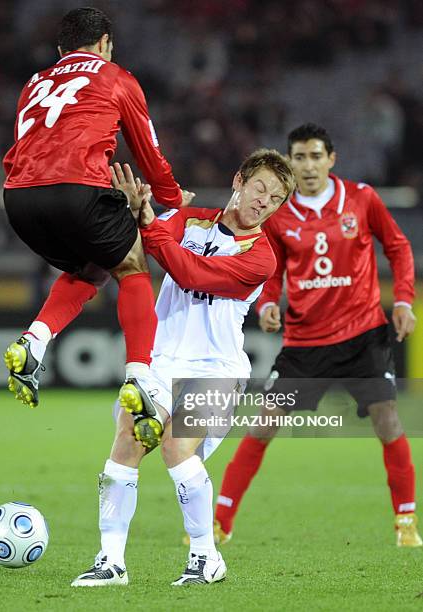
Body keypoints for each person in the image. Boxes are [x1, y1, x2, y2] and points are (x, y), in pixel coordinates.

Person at [21, 151, 295, 585]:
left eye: (276, 199)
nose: (264, 202)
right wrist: (137, 209)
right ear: (238, 180)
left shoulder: (261, 257)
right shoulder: (191, 219)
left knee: (175, 447)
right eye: (260, 188)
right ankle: (110, 561)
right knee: (125, 444)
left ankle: (206, 558)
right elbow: (138, 244)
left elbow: (190, 273)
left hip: (216, 368)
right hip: (162, 359)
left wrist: (152, 220)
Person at [214, 123, 421, 547]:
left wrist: (402, 300)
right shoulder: (280, 212)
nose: (307, 166)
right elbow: (269, 267)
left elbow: (398, 247)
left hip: (363, 335)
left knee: (388, 421)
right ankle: (221, 522)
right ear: (289, 162)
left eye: (315, 156)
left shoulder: (361, 198)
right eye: (299, 157)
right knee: (262, 426)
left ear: (331, 159)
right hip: (304, 343)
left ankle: (406, 523)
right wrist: (268, 303)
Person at [1, 7, 194, 426]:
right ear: (105, 43)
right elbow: (148, 151)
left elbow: (22, 145)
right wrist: (172, 198)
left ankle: (34, 340)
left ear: (60, 48)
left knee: (91, 269)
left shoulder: (33, 83)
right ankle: (139, 376)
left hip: (18, 198)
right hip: (77, 190)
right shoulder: (116, 78)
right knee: (132, 265)